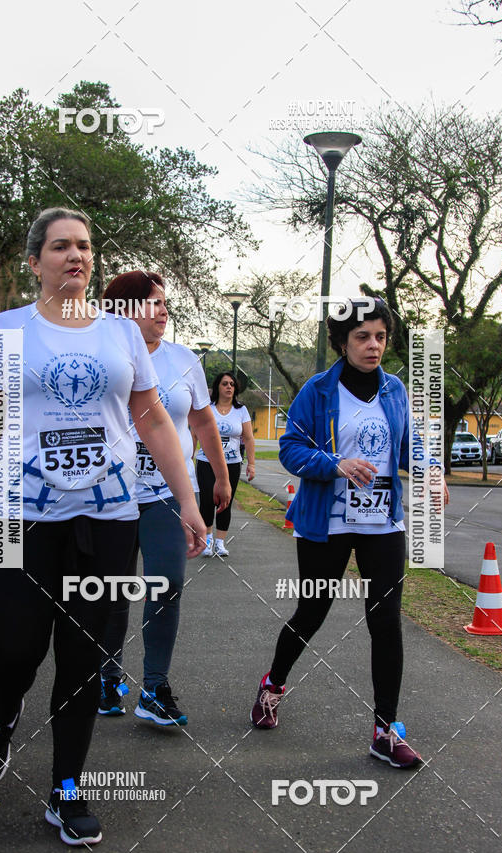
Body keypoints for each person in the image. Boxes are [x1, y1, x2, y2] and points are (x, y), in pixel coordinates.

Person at [0, 208, 205, 847]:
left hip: (106, 517)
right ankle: (2, 711)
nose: (76, 255)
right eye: (60, 246)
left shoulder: (121, 334)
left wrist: (187, 501)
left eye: (84, 246)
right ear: (34, 261)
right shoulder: (8, 330)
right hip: (19, 516)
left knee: (83, 654)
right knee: (17, 648)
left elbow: (153, 419)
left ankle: (66, 789)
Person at [250, 300, 449, 768]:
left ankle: (386, 730)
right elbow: (291, 448)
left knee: (386, 621)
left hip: (383, 522)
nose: (373, 345)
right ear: (342, 342)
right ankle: (273, 685)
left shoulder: (395, 390)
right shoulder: (319, 391)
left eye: (380, 336)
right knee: (312, 612)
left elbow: (408, 444)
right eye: (362, 337)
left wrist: (431, 472)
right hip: (327, 522)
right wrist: (335, 465)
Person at [99, 270, 231, 725]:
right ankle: (107, 676)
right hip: (110, 495)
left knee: (167, 586)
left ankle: (154, 687)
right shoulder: (102, 357)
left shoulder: (184, 361)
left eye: (165, 303)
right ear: (123, 310)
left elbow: (203, 424)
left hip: (167, 495)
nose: (163, 312)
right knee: (111, 591)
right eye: (152, 303)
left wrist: (219, 475)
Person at [195, 372, 255, 557]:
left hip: (232, 463)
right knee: (206, 501)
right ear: (217, 387)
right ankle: (207, 540)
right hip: (206, 462)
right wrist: (188, 457)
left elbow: (248, 438)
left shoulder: (241, 410)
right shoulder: (207, 408)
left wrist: (251, 464)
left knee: (225, 502)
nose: (229, 387)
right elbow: (195, 433)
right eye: (225, 384)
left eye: (232, 384)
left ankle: (220, 542)